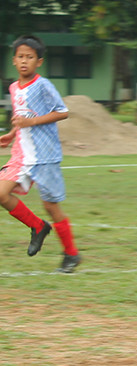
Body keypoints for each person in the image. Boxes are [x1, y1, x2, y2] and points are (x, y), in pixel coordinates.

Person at [1, 35, 81, 272]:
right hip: (21, 154)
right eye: (20, 56)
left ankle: (71, 255)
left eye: (30, 57)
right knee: (1, 194)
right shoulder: (13, 87)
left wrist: (30, 122)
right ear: (14, 60)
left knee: (51, 206)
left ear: (39, 61)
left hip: (45, 155)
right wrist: (12, 133)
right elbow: (22, 116)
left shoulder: (43, 85)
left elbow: (62, 112)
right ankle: (38, 227)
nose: (24, 61)